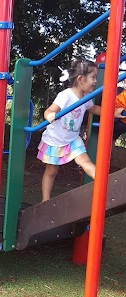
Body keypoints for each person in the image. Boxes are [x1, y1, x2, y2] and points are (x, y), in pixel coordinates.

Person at [37, 59, 101, 201]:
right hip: (55, 139)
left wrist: (112, 112)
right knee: (51, 171)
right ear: (80, 79)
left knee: (85, 161)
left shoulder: (85, 97)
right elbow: (49, 111)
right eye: (93, 77)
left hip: (72, 140)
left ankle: (103, 181)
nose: (95, 81)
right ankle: (45, 199)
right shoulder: (66, 95)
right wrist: (50, 116)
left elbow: (93, 109)